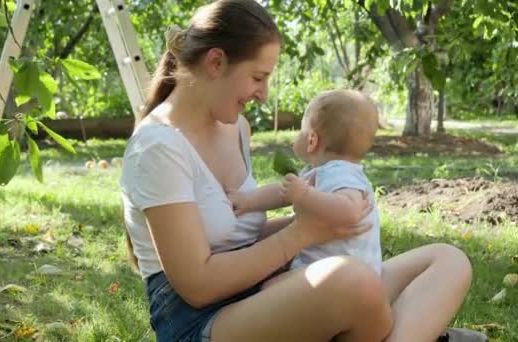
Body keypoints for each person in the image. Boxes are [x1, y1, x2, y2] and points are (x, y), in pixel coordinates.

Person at [119, 1, 487, 341]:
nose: (263, 94)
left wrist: (331, 218)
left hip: (268, 290)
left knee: (446, 260)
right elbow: (197, 285)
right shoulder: (158, 148)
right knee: (352, 281)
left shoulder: (235, 128)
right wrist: (303, 232)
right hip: (202, 320)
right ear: (216, 63)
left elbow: (237, 235)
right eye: (258, 77)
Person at [228, 89, 383, 274]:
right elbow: (282, 192)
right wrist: (249, 201)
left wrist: (305, 195)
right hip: (330, 271)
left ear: (312, 140)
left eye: (301, 130)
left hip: (341, 276)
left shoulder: (341, 173)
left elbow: (350, 212)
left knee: (268, 288)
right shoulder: (320, 172)